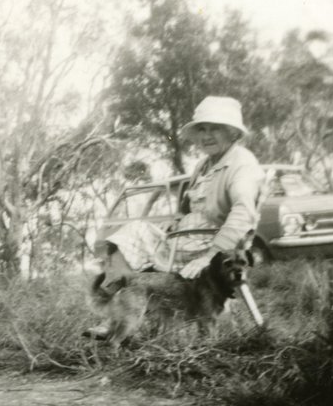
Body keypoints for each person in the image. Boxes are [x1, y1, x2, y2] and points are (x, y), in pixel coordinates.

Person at [98, 95, 265, 288]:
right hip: (185, 241)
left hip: (213, 247)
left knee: (133, 233)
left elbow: (243, 213)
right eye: (202, 129)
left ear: (232, 133)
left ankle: (119, 297)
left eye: (215, 128)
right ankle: (123, 298)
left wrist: (211, 256)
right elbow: (187, 206)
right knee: (132, 232)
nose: (206, 136)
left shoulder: (241, 163)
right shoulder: (204, 165)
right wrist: (176, 221)